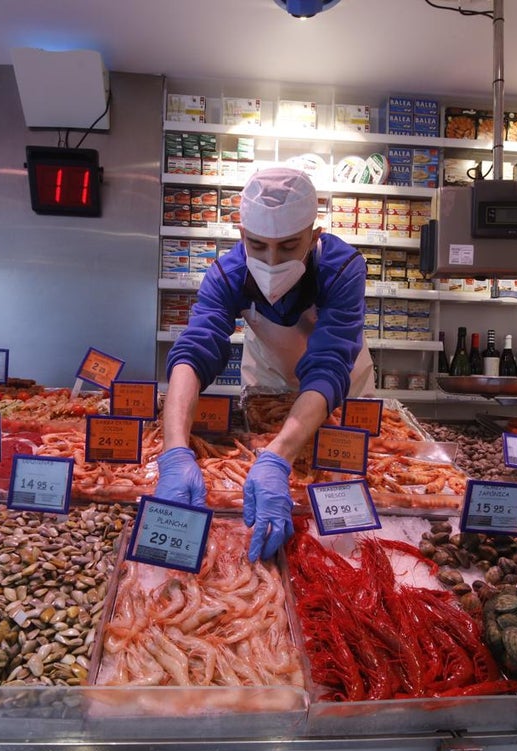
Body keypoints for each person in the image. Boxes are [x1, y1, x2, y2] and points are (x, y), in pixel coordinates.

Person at [155, 166, 374, 561]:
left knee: (341, 480)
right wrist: (174, 450)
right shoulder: (227, 273)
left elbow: (327, 363)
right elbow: (194, 350)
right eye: (258, 246)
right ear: (242, 236)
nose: (272, 260)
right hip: (269, 378)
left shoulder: (343, 267)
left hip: (339, 385)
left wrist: (277, 457)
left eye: (289, 246)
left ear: (314, 236)